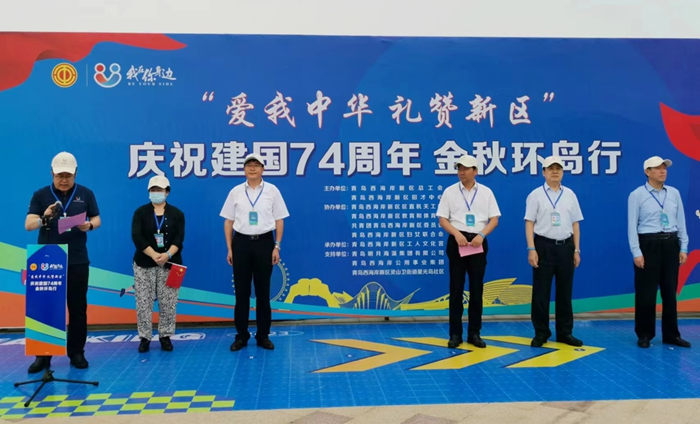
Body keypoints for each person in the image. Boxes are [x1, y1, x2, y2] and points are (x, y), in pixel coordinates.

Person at [24, 152, 101, 372]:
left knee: (77, 308)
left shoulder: (86, 193)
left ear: (75, 173)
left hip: (77, 259)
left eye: (68, 175)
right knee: (46, 308)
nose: (64, 180)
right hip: (48, 260)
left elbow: (96, 218)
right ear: (52, 173)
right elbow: (28, 224)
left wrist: (90, 225)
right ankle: (43, 356)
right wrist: (44, 218)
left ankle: (76, 352)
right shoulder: (41, 195)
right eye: (59, 175)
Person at [220, 153, 289, 351]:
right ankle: (241, 336)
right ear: (244, 169)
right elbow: (228, 222)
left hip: (264, 243)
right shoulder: (235, 192)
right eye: (248, 165)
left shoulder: (272, 190)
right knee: (241, 293)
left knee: (263, 292)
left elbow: (279, 220)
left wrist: (277, 246)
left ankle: (263, 335)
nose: (252, 168)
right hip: (241, 243)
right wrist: (230, 248)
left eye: (256, 165)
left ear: (262, 169)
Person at [437, 154, 501, 348]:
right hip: (458, 241)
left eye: (465, 169)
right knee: (456, 289)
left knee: (476, 289)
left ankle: (474, 333)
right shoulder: (449, 192)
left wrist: (482, 234)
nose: (461, 172)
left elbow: (494, 219)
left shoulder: (486, 192)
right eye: (459, 168)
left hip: (477, 242)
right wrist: (456, 234)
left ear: (475, 171)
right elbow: (442, 219)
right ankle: (455, 334)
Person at [627, 156, 690, 348]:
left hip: (670, 243)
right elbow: (632, 226)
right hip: (648, 244)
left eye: (664, 168)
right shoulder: (637, 195)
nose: (663, 171)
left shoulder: (674, 193)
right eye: (657, 168)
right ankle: (644, 334)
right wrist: (636, 252)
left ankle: (671, 334)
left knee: (670, 291)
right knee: (646, 293)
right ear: (647, 172)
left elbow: (681, 221)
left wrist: (683, 247)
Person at [524, 156, 583, 348]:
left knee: (565, 292)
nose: (555, 172)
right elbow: (529, 223)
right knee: (541, 293)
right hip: (543, 246)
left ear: (563, 172)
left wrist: (576, 249)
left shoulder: (570, 194)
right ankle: (541, 332)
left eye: (558, 168)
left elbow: (575, 224)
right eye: (551, 168)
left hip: (566, 246)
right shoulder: (535, 195)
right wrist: (531, 248)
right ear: (544, 172)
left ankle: (565, 332)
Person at [131, 175, 185, 353]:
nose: (156, 193)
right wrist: (154, 254)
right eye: (153, 190)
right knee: (144, 302)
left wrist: (167, 255)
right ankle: (145, 337)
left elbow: (179, 239)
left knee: (169, 301)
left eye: (159, 190)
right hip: (144, 262)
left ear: (167, 192)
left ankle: (165, 336)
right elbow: (137, 236)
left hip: (171, 264)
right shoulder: (140, 212)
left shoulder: (177, 214)